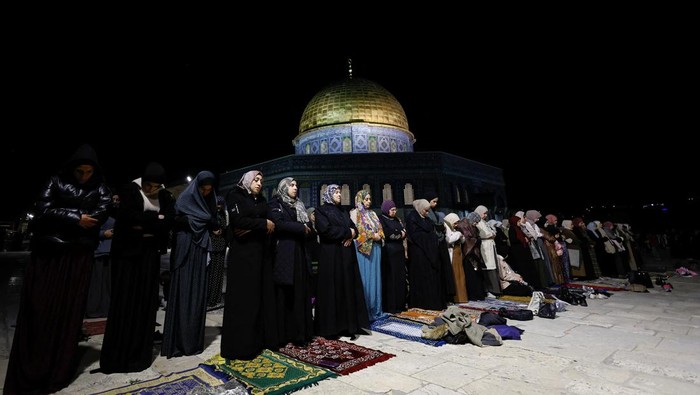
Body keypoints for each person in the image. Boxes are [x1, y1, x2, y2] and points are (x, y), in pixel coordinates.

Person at [4, 144, 112, 394]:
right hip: (51, 254)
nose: (84, 176)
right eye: (80, 172)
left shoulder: (100, 188)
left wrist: (70, 219)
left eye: (88, 172)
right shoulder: (56, 181)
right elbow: (43, 210)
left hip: (79, 255)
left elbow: (101, 212)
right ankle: (32, 367)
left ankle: (56, 369)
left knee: (68, 310)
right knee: (40, 308)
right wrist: (76, 218)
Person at [100, 162, 176, 372]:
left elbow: (169, 220)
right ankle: (118, 357)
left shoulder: (164, 196)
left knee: (144, 303)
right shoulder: (130, 190)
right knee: (125, 303)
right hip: (128, 256)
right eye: (148, 185)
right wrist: (155, 219)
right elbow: (127, 218)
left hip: (149, 257)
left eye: (155, 186)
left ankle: (138, 356)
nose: (151, 190)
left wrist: (147, 222)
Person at [220, 170, 278, 360]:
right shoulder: (235, 195)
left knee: (257, 300)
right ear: (247, 180)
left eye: (262, 180)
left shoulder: (260, 200)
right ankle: (240, 347)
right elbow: (238, 223)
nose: (259, 183)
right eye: (256, 179)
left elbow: (271, 221)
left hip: (260, 256)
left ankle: (257, 342)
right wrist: (262, 224)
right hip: (242, 258)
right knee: (242, 301)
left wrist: (257, 225)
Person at [161, 171, 219, 358]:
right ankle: (178, 343)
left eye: (209, 190)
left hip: (200, 250)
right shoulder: (185, 200)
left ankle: (192, 342)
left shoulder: (209, 204)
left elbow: (214, 223)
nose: (205, 193)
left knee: (196, 295)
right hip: (186, 250)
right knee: (183, 292)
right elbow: (174, 222)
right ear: (196, 187)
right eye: (203, 189)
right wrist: (194, 221)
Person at [314, 184, 369, 340]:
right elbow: (326, 230)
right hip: (331, 257)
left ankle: (347, 326)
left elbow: (355, 229)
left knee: (346, 289)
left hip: (346, 257)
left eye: (339, 192)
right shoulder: (321, 211)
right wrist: (347, 234)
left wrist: (351, 234)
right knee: (332, 289)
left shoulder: (343, 211)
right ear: (329, 194)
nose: (339, 194)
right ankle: (331, 328)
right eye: (336, 192)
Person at [268, 177, 314, 346]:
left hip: (301, 254)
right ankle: (284, 334)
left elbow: (311, 229)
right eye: (292, 185)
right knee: (285, 295)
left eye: (296, 185)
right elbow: (279, 225)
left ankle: (301, 334)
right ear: (283, 187)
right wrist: (300, 228)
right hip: (285, 255)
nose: (295, 188)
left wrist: (303, 228)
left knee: (301, 294)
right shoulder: (276, 203)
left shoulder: (300, 205)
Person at [350, 190, 386, 322]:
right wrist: (372, 235)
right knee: (365, 279)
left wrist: (379, 235)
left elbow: (380, 229)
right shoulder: (355, 213)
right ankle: (365, 310)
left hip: (375, 248)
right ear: (360, 199)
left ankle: (376, 309)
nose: (369, 202)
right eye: (366, 199)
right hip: (363, 250)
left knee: (375, 279)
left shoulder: (373, 214)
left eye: (370, 199)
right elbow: (357, 233)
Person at [405, 199, 447, 310]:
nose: (427, 213)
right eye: (425, 210)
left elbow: (431, 231)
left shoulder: (427, 219)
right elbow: (415, 235)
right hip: (418, 254)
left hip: (430, 253)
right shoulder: (412, 218)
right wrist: (430, 238)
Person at [378, 200, 408, 314]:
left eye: (395, 209)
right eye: (392, 210)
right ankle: (391, 306)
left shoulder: (397, 219)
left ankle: (400, 304)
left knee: (400, 278)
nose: (394, 212)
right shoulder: (381, 219)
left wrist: (399, 233)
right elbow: (388, 234)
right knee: (391, 279)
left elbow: (404, 231)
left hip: (399, 252)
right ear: (386, 209)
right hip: (389, 253)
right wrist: (399, 233)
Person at [85, 214, 115, 318]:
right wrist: (103, 234)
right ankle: (94, 309)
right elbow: (89, 231)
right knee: (97, 283)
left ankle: (105, 308)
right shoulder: (99, 214)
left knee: (106, 283)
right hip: (99, 251)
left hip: (110, 252)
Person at [206, 195, 229, 308]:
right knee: (211, 273)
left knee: (218, 273)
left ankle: (216, 297)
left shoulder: (223, 214)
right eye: (217, 204)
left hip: (221, 246)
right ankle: (210, 298)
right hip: (213, 246)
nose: (219, 206)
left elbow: (225, 227)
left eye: (220, 204)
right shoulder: (211, 214)